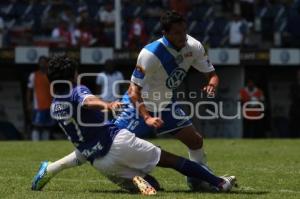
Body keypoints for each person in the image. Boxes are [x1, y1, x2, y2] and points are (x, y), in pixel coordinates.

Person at [36, 10, 221, 191]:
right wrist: (146, 117)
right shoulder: (150, 54)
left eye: (184, 31)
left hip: (166, 104)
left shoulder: (194, 46)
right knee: (107, 141)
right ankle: (57, 168)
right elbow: (133, 92)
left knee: (195, 141)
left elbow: (212, 75)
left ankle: (197, 181)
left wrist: (211, 84)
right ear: (165, 33)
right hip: (137, 106)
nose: (183, 37)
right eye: (177, 33)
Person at [31, 56, 236, 194]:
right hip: (116, 142)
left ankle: (138, 179)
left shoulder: (55, 106)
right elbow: (88, 101)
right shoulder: (76, 90)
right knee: (173, 161)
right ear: (73, 74)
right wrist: (108, 105)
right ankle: (219, 182)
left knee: (154, 186)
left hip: (99, 162)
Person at [27, 56, 54, 141]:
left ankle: (44, 144)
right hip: (38, 106)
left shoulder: (51, 75)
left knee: (47, 126)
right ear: (38, 64)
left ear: (47, 63)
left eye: (44, 62)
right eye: (40, 62)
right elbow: (29, 90)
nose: (42, 64)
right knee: (37, 126)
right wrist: (28, 103)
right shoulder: (33, 75)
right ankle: (35, 143)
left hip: (50, 105)